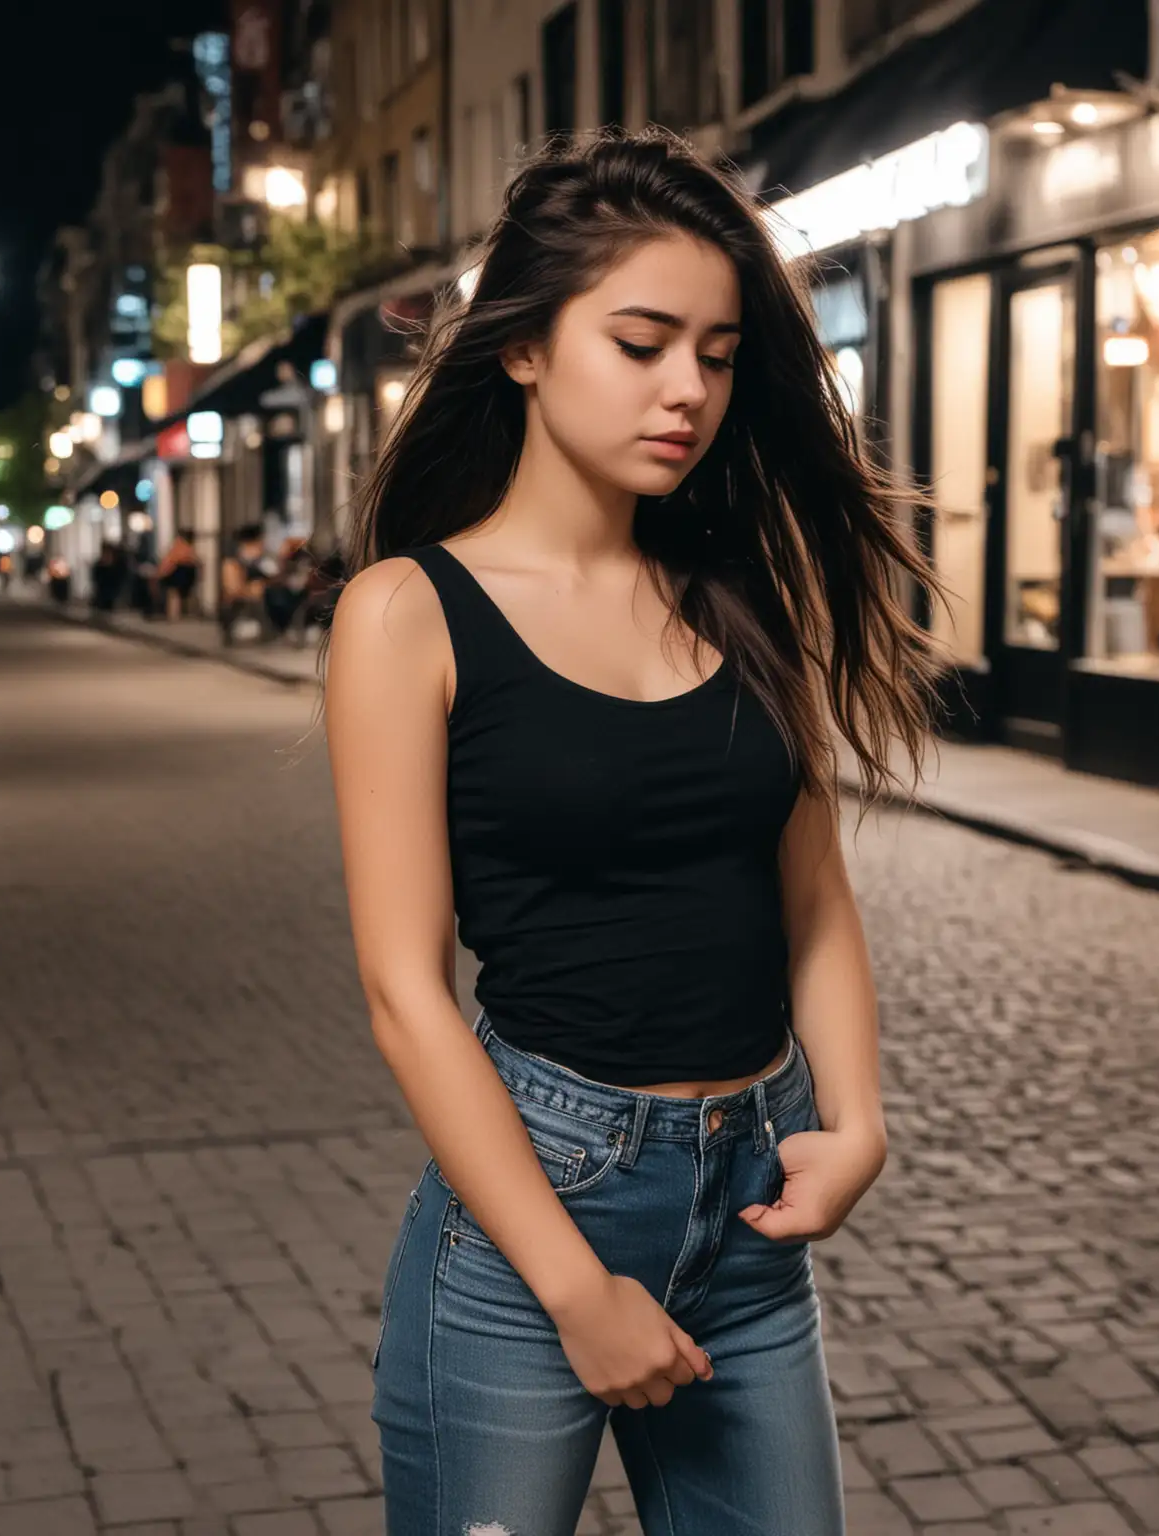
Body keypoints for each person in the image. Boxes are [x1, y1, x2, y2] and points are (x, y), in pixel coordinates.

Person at [322, 129, 940, 1536]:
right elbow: (405, 993)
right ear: (525, 349)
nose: (689, 390)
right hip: (535, 1209)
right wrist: (572, 1287)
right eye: (643, 342)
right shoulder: (408, 615)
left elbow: (815, 900)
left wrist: (856, 1122)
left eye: (717, 355)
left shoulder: (732, 595)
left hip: (746, 1215)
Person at [218, 522, 273, 643]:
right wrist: (251, 589)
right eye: (259, 542)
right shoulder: (233, 562)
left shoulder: (260, 561)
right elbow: (232, 589)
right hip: (240, 599)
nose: (262, 546)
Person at [157, 527, 200, 620]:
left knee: (173, 594)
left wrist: (161, 573)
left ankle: (174, 615)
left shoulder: (178, 546)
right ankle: (175, 614)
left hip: (175, 572)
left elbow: (170, 561)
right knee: (176, 594)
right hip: (180, 572)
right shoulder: (188, 548)